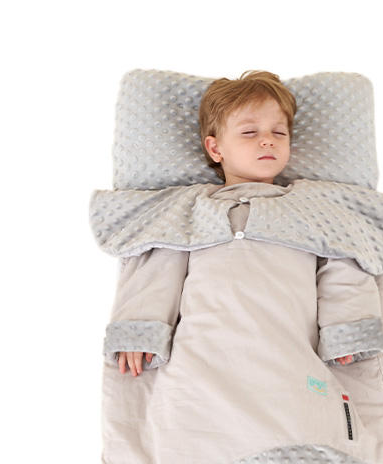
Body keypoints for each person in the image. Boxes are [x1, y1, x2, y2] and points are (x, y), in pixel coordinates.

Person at [117, 70, 360, 378]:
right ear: (216, 148)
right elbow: (159, 263)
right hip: (205, 351)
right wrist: (140, 328)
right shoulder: (193, 206)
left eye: (279, 133)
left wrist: (346, 328)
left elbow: (343, 260)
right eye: (249, 132)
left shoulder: (311, 205)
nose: (267, 140)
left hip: (287, 351)